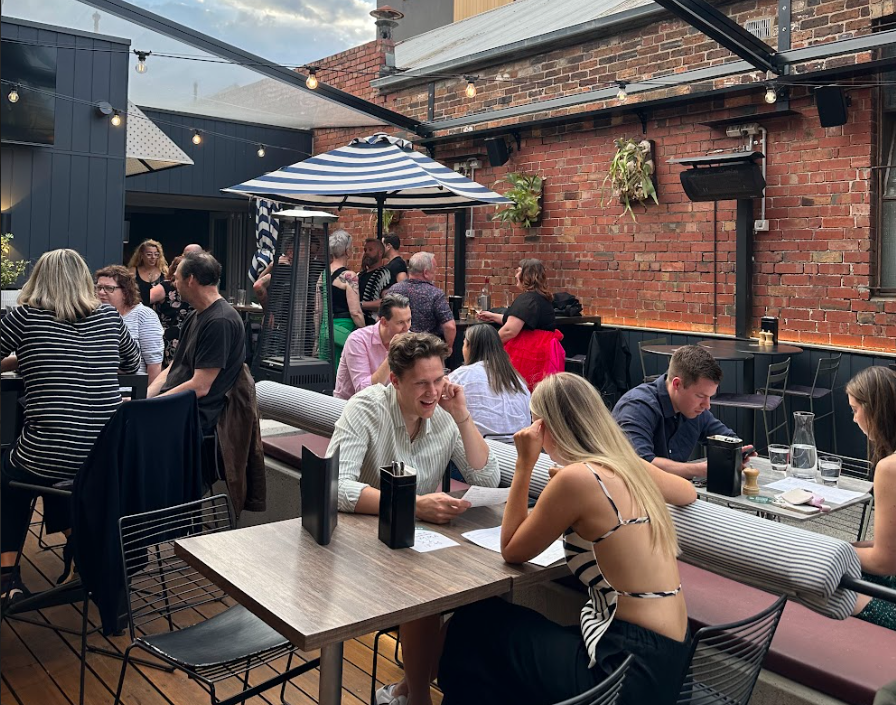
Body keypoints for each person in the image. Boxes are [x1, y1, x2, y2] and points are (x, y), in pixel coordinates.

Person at [436, 373, 697, 705]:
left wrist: (524, 463)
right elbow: (687, 492)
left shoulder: (578, 479)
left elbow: (512, 549)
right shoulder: (627, 465)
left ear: (544, 427)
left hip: (621, 675)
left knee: (472, 627)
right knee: (499, 630)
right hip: (670, 667)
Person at [328, 332, 500, 705]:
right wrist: (414, 504)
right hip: (366, 545)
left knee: (488, 597)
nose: (433, 391)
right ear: (395, 380)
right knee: (424, 593)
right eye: (421, 382)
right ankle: (417, 696)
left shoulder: (444, 414)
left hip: (424, 543)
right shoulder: (366, 407)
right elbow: (335, 488)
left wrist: (463, 416)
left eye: (439, 380)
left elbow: (487, 478)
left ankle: (405, 691)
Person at [1, 250, 140, 601]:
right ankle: (79, 545)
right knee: (65, 458)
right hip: (104, 457)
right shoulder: (109, 315)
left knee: (12, 474)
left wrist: (25, 355)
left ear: (39, 279)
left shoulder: (24, 317)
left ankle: (7, 577)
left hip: (50, 454)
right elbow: (133, 361)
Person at [612, 345, 749, 479]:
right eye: (700, 396)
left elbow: (726, 437)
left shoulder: (694, 409)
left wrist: (738, 452)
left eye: (710, 397)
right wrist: (699, 470)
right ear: (677, 384)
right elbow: (641, 464)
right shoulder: (636, 407)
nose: (707, 405)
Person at [147, 251, 245, 434]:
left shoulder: (220, 321)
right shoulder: (195, 315)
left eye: (176, 279)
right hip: (176, 407)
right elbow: (174, 367)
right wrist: (146, 397)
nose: (174, 284)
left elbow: (200, 386)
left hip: (195, 418)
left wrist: (152, 406)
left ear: (190, 280)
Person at [846, 366, 896, 631]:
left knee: (816, 582)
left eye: (855, 410)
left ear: (875, 409)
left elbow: (885, 561)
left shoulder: (890, 468)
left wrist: (831, 550)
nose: (854, 419)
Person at [476, 258, 563, 390]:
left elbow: (510, 330)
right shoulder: (540, 297)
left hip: (530, 353)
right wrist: (492, 316)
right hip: (542, 351)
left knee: (518, 389)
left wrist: (487, 346)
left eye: (518, 271)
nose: (516, 275)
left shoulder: (527, 298)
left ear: (527, 275)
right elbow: (520, 320)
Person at [448, 323, 531, 438]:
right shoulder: (516, 379)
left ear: (469, 346)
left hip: (478, 447)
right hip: (517, 447)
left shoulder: (461, 376)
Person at [333, 293, 411, 400]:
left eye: (409, 320)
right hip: (351, 406)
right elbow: (364, 392)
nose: (406, 328)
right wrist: (392, 354)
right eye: (400, 322)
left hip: (388, 406)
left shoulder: (409, 338)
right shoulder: (358, 340)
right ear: (383, 322)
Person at [95, 265, 164, 385]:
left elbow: (154, 365)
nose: (101, 292)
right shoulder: (93, 316)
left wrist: (147, 400)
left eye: (109, 288)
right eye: (99, 287)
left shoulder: (144, 316)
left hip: (131, 393)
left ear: (125, 292)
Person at [316, 230, 365, 370]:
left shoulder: (322, 275)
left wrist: (316, 337)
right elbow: (355, 312)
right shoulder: (349, 276)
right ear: (347, 251)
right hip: (344, 329)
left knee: (325, 373)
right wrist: (365, 331)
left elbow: (317, 310)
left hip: (325, 330)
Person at [388, 252, 456, 348]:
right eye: (434, 270)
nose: (435, 273)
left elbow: (381, 320)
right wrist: (449, 347)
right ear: (425, 272)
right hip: (428, 350)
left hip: (400, 349)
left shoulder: (393, 290)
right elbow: (450, 326)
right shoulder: (435, 294)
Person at [149, 256, 192, 367]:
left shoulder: (166, 286)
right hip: (184, 333)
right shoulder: (191, 287)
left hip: (171, 333)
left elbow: (142, 299)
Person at [359, 238, 392, 325]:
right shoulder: (360, 275)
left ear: (380, 253)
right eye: (365, 250)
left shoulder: (384, 273)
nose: (366, 253)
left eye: (370, 250)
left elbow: (386, 301)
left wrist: (361, 305)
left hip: (372, 324)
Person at [127, 239, 168, 306]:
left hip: (159, 311)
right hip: (138, 308)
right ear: (141, 255)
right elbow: (127, 291)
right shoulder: (133, 271)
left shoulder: (164, 271)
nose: (153, 257)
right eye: (149, 254)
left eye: (156, 254)